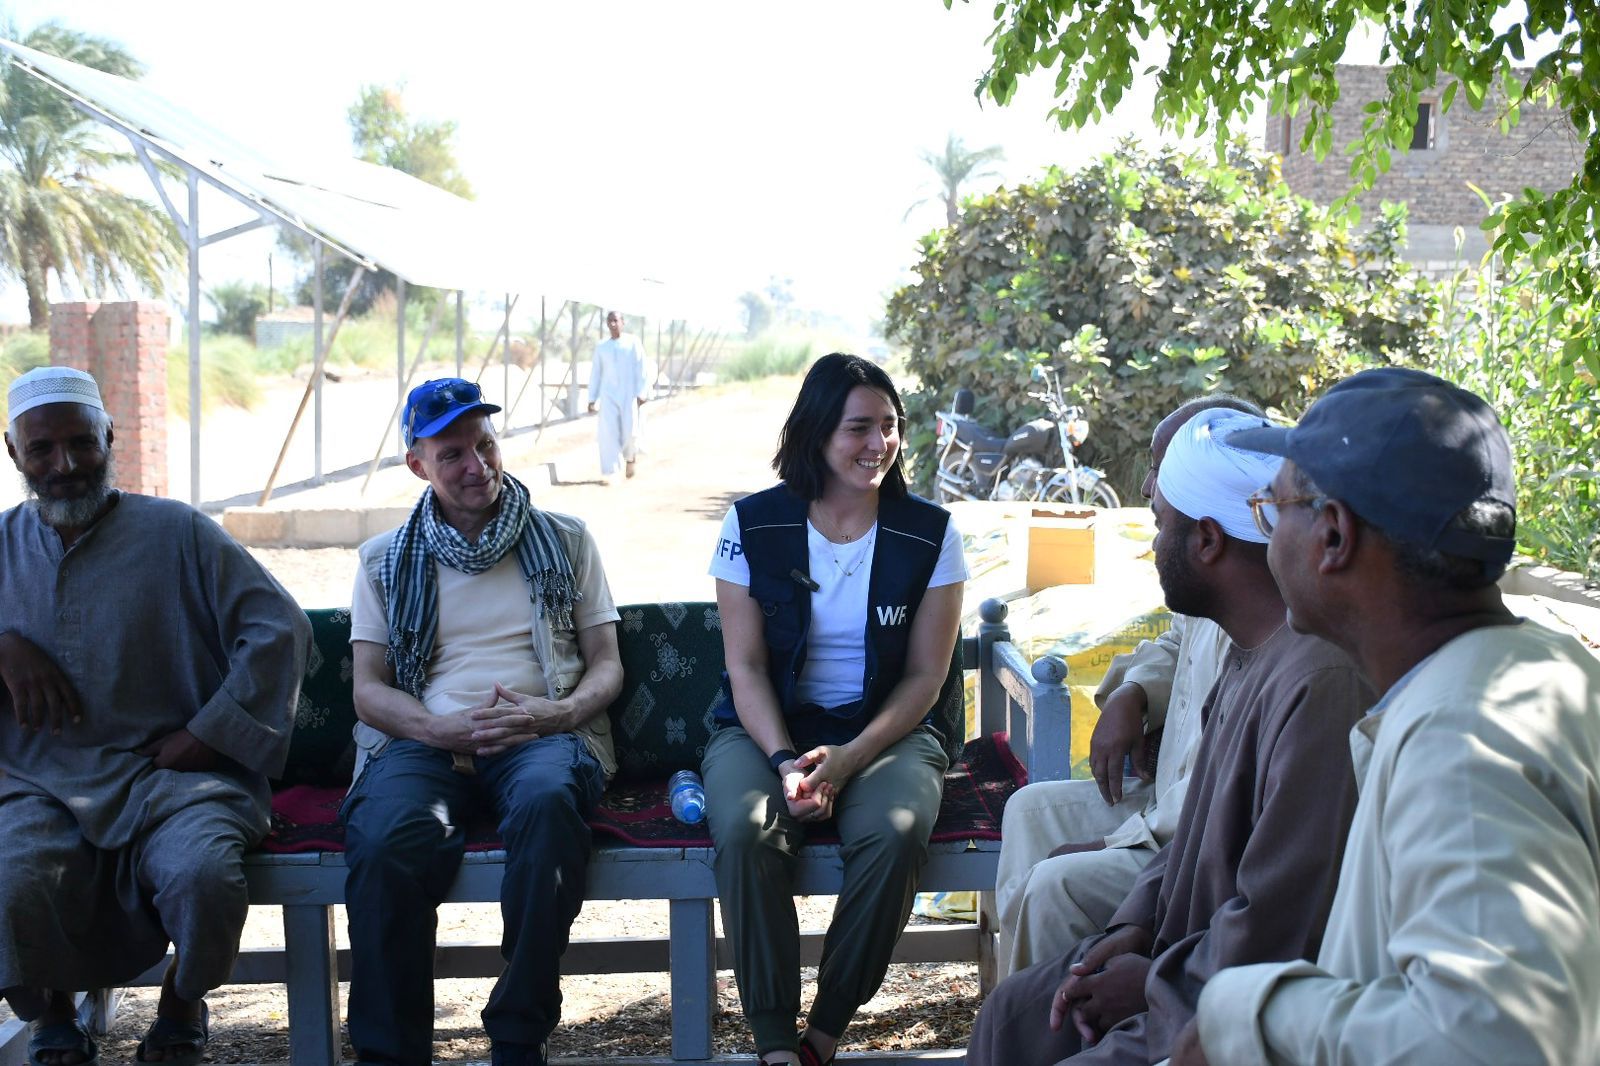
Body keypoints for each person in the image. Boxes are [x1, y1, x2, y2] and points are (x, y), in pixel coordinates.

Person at [1170, 367, 1600, 1066]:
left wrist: (1250, 1012)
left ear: (1332, 536)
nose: (1268, 540)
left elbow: (1493, 1040)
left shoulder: (1462, 738)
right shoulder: (1543, 669)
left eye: (1273, 512)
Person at [966, 407, 1373, 1066]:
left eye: (1160, 525)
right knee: (1009, 1017)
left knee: (1039, 1010)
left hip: (1215, 1004)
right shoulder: (1250, 650)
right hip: (1175, 954)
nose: (1150, 533)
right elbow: (1195, 841)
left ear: (1207, 542)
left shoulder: (1319, 681)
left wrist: (1156, 977)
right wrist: (1135, 923)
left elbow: (1280, 919)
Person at [0, 366, 309, 1066]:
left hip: (175, 782)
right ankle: (50, 1014)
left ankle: (179, 1006)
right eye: (42, 450)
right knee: (10, 879)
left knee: (205, 877)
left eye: (82, 444)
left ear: (110, 438)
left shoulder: (177, 532)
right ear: (15, 454)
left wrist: (211, 732)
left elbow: (279, 628)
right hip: (38, 783)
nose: (66, 465)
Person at [342, 377, 624, 1066]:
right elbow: (369, 690)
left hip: (540, 735)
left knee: (550, 805)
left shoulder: (564, 538)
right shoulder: (383, 561)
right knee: (384, 842)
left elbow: (606, 665)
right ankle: (390, 1052)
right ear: (418, 466)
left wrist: (555, 714)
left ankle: (519, 1033)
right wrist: (440, 730)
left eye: (486, 445)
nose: (478, 466)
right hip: (425, 742)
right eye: (454, 455)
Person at [704, 353, 968, 1066]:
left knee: (893, 833)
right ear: (817, 433)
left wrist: (851, 759)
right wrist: (787, 762)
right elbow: (747, 666)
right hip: (767, 729)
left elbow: (924, 678)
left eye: (890, 426)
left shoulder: (931, 533)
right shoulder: (753, 525)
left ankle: (822, 1033)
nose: (877, 444)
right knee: (745, 828)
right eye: (858, 428)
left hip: (890, 729)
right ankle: (772, 1039)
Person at [996, 396, 1262, 975]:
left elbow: (1215, 805)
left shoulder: (1260, 612)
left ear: (1209, 530)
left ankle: (1054, 1025)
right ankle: (1012, 1010)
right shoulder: (1214, 582)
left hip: (1192, 839)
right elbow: (1174, 643)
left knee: (1055, 886)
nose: (1145, 486)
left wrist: (1114, 843)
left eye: (1160, 471)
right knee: (1030, 812)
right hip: (1165, 805)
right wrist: (1132, 693)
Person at [586, 310, 649, 481]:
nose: (613, 324)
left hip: (629, 394)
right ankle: (611, 471)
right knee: (608, 432)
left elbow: (642, 368)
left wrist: (642, 392)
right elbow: (596, 374)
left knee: (630, 431)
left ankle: (630, 458)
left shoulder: (633, 343)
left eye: (616, 320)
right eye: (610, 321)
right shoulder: (602, 347)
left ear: (622, 322)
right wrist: (592, 398)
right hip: (608, 395)